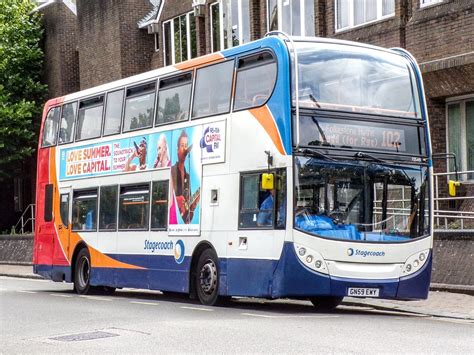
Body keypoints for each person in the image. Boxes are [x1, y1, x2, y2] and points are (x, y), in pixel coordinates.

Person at [170, 130, 200, 223]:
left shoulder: (188, 176)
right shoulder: (171, 171)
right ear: (177, 149)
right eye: (182, 145)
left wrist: (192, 208)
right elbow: (162, 197)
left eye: (186, 145)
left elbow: (188, 217)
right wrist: (175, 200)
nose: (185, 149)